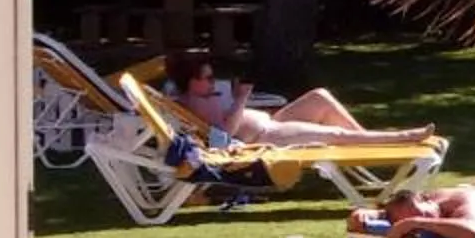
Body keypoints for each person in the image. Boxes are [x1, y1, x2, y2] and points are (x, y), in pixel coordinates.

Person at [164, 51, 436, 149]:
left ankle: (366, 143)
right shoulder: (197, 103)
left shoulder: (192, 96)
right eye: (207, 78)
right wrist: (241, 99)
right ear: (191, 81)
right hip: (268, 136)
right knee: (335, 133)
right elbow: (224, 136)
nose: (213, 82)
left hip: (271, 123)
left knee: (320, 96)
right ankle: (404, 137)